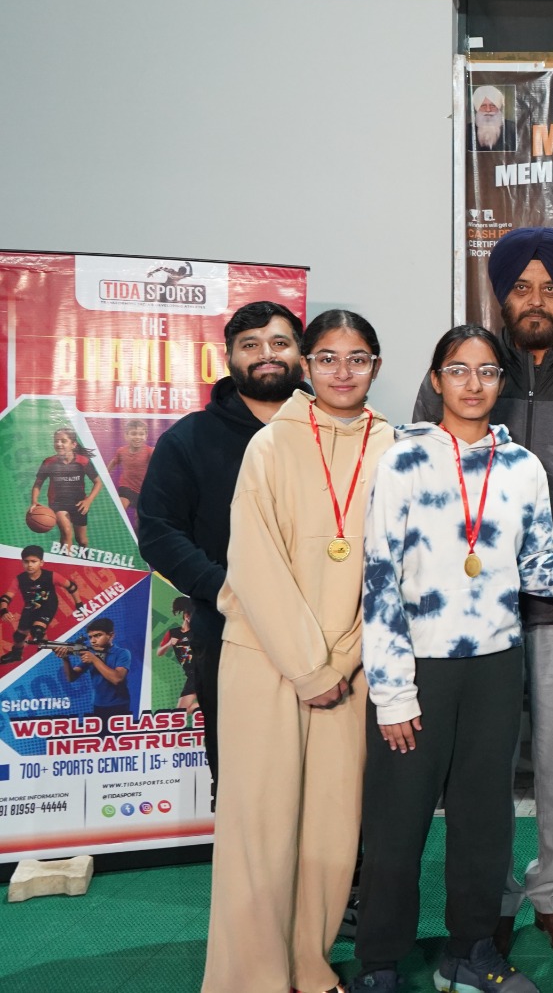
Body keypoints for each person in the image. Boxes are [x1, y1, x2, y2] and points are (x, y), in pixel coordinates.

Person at [354, 325, 553, 993]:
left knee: (484, 822)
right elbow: (379, 580)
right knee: (396, 825)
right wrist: (392, 694)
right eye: (458, 370)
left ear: (501, 382)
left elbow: (534, 570)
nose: (472, 384)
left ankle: (470, 952)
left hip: (496, 665)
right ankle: (379, 963)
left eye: (486, 372)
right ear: (436, 379)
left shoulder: (522, 467)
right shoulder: (402, 460)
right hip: (420, 668)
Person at [413, 226, 553, 958]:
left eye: (549, 288)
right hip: (471, 613)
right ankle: (491, 894)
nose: (535, 300)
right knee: (479, 764)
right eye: (521, 288)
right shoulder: (465, 370)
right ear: (502, 296)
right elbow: (429, 474)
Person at [201, 309, 394, 993]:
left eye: (358, 358)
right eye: (328, 358)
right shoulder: (270, 444)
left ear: (376, 366)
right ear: (307, 366)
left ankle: (309, 966)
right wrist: (311, 667)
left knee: (331, 834)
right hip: (266, 660)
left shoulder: (395, 448)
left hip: (349, 669)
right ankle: (251, 979)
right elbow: (253, 564)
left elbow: (396, 572)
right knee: (260, 829)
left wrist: (343, 660)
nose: (343, 372)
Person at [140, 300, 307, 801]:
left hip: (327, 631)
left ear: (301, 354)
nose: (266, 354)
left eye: (279, 343)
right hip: (233, 631)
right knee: (243, 782)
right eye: (250, 345)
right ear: (229, 357)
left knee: (329, 779)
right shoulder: (189, 439)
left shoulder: (333, 430)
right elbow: (159, 533)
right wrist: (229, 592)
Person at [0, 545, 83, 663]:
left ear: (41, 563)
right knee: (18, 636)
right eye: (26, 561)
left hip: (48, 606)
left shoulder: (51, 576)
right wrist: (3, 610)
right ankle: (16, 654)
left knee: (37, 631)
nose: (29, 565)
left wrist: (79, 603)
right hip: (30, 607)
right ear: (22, 562)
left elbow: (72, 587)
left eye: (33, 561)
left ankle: (47, 653)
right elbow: (7, 596)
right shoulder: (20, 579)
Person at [32, 428, 101, 549]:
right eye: (56, 441)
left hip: (79, 504)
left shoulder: (83, 461)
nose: (59, 444)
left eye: (63, 441)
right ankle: (66, 560)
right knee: (66, 532)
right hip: (58, 503)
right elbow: (38, 484)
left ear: (73, 444)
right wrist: (34, 501)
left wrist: (88, 500)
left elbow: (98, 482)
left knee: (82, 540)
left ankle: (84, 558)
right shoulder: (48, 462)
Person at [58, 616, 131, 720]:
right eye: (90, 637)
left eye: (98, 635)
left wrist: (94, 659)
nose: (93, 641)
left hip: (119, 704)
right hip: (98, 704)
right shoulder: (91, 653)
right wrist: (65, 659)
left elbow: (117, 679)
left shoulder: (122, 653)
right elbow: (71, 678)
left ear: (111, 635)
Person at [156, 595, 200, 711]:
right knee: (180, 712)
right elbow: (159, 652)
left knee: (180, 712)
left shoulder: (198, 632)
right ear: (186, 616)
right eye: (192, 616)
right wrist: (169, 644)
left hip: (201, 672)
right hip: (191, 675)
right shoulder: (173, 633)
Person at [111, 418, 154, 531]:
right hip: (127, 486)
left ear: (146, 436)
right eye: (133, 434)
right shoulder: (121, 451)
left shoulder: (149, 451)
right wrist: (103, 474)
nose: (137, 437)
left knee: (139, 518)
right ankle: (117, 532)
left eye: (141, 434)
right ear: (126, 435)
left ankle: (136, 537)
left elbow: (160, 462)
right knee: (120, 508)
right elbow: (114, 462)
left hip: (143, 489)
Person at [470, 84, 516, 152]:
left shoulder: (512, 128)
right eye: (483, 106)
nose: (488, 110)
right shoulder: (468, 129)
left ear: (498, 107)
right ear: (477, 108)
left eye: (493, 106)